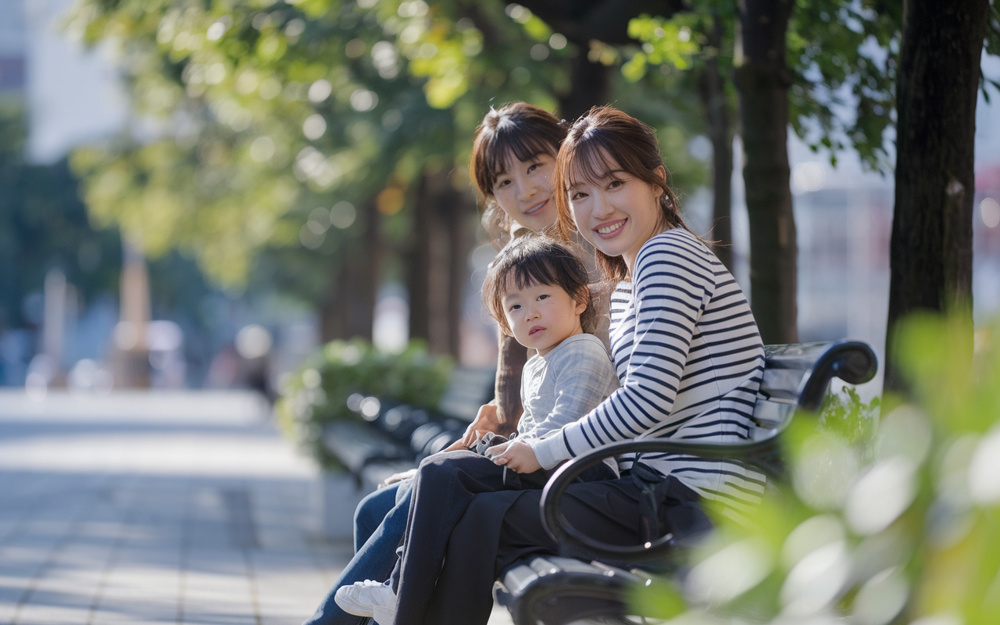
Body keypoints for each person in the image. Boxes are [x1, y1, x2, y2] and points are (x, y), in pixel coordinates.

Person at [347, 105, 767, 625]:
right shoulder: (639, 272)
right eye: (581, 194)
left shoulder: (666, 258)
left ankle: (401, 611)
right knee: (467, 507)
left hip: (687, 500)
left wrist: (542, 450)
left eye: (614, 184)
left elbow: (646, 399)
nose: (599, 208)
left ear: (657, 181)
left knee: (465, 505)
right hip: (654, 486)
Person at [301, 102, 572, 625]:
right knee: (374, 508)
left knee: (408, 505)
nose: (526, 190)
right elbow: (514, 376)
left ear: (567, 153)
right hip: (519, 449)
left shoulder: (593, 247)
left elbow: (591, 371)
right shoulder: (519, 258)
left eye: (536, 165)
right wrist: (496, 413)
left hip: (563, 458)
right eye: (504, 182)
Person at [335, 234, 621, 624]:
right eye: (515, 306)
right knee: (437, 474)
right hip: (545, 469)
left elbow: (566, 426)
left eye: (543, 298)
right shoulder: (539, 363)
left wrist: (501, 454)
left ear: (579, 300)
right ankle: (400, 593)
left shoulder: (583, 350)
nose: (530, 313)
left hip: (578, 475)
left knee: (443, 471)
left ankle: (400, 591)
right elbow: (531, 433)